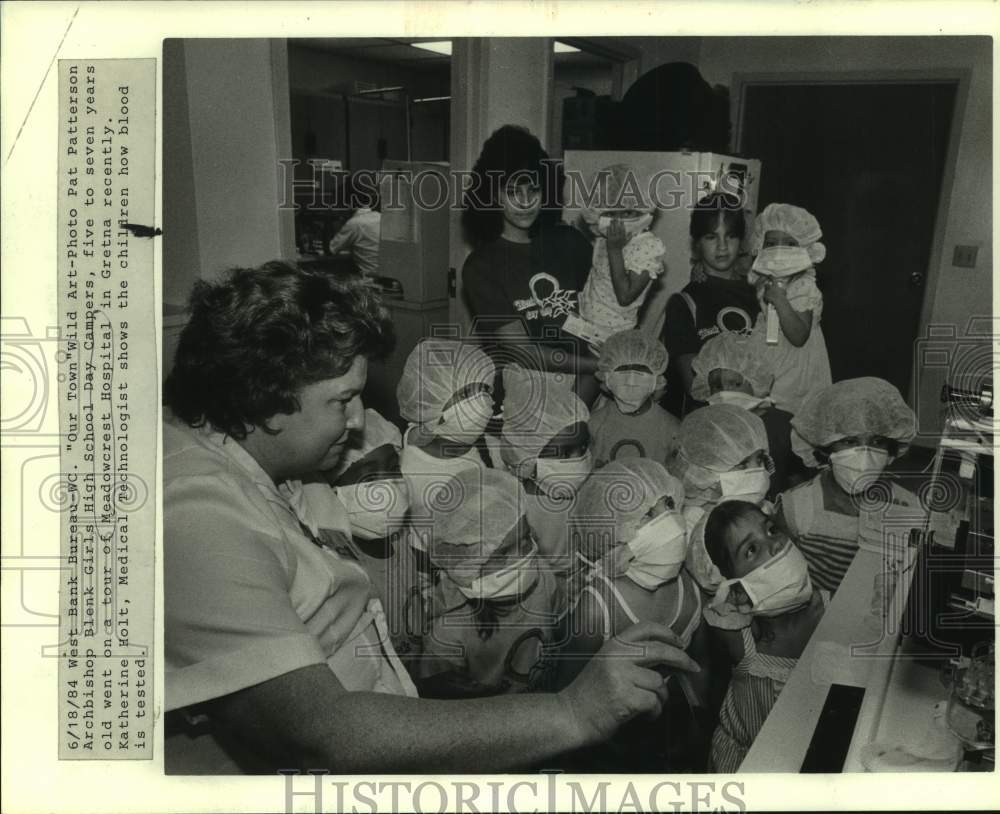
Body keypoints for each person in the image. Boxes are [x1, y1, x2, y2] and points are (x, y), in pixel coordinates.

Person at [163, 261, 699, 774]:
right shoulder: (199, 515)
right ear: (264, 400)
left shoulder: (267, 466)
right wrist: (574, 712)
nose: (358, 422)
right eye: (342, 400)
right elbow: (321, 734)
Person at [556, 459, 709, 771]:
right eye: (646, 516)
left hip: (664, 731)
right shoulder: (596, 609)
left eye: (668, 505)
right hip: (606, 739)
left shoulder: (690, 588)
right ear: (611, 534)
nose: (669, 521)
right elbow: (568, 694)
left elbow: (697, 666)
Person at [461, 124, 599, 405]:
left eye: (533, 189)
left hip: (587, 386)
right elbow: (523, 352)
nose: (525, 202)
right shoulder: (481, 266)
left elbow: (608, 301)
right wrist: (598, 367)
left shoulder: (570, 242)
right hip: (523, 397)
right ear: (492, 194)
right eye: (513, 191)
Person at [701, 500, 826, 772]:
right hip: (745, 765)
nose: (776, 545)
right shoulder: (739, 638)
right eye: (752, 550)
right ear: (735, 585)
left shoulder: (829, 609)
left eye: (771, 530)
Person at [419, 467, 565, 697]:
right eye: (502, 553)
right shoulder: (447, 633)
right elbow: (440, 700)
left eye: (526, 538)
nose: (524, 556)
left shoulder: (543, 577)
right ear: (466, 565)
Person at [776, 377, 918, 594]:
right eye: (850, 441)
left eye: (877, 442)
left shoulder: (908, 507)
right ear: (825, 447)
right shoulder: (796, 507)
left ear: (892, 449)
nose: (864, 454)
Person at [659, 192, 760, 417]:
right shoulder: (683, 303)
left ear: (742, 241)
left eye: (731, 236)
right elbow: (695, 387)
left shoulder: (760, 293)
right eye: (711, 237)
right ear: (696, 244)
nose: (722, 247)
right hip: (710, 422)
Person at [690, 331, 803, 496]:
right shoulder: (704, 428)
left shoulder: (782, 425)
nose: (725, 392)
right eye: (716, 386)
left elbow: (797, 481)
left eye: (735, 383)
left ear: (755, 381)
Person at [500, 365, 593, 563]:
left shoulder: (587, 494)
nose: (578, 460)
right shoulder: (513, 507)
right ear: (525, 456)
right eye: (564, 453)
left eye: (583, 448)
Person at [746, 203, 832, 416]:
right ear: (760, 246)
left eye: (789, 244)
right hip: (769, 350)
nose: (779, 250)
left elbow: (799, 336)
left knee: (788, 413)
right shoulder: (765, 279)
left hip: (795, 363)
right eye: (771, 243)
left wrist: (780, 299)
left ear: (805, 250)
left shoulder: (803, 286)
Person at [578, 163, 666, 338]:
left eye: (627, 213)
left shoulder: (647, 247)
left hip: (614, 334)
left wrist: (615, 250)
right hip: (584, 324)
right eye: (610, 214)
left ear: (642, 210)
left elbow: (625, 297)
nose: (617, 222)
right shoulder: (604, 238)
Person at [589, 329, 679, 469]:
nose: (631, 381)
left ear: (657, 379)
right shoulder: (594, 424)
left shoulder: (672, 429)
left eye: (641, 373)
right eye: (622, 372)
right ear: (606, 376)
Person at [328, 173, 381, 276]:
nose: (336, 209)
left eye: (337, 204)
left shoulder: (354, 223)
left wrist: (328, 219)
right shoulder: (380, 217)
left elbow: (331, 250)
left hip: (371, 280)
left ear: (347, 204)